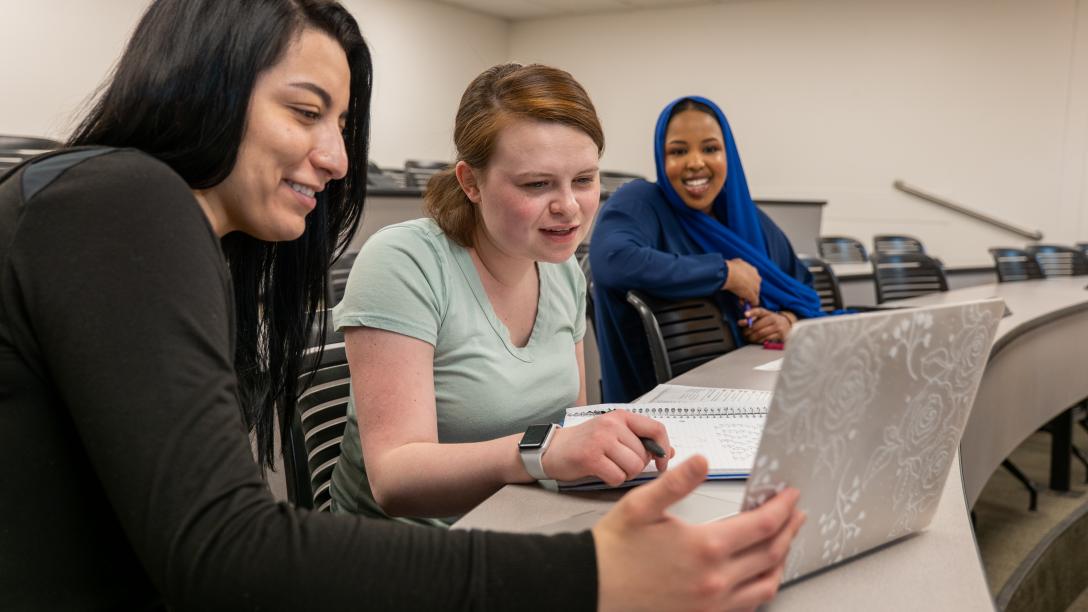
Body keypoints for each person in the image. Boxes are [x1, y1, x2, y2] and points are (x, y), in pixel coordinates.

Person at [0, 2, 803, 608]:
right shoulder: (122, 200)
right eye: (306, 111)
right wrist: (593, 576)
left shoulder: (173, 233)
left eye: (341, 123)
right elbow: (222, 550)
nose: (339, 157)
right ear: (200, 86)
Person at [330, 63, 680, 524]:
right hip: (404, 556)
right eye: (537, 184)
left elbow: (567, 427)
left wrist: (597, 451)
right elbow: (394, 480)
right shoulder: (403, 262)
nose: (569, 208)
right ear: (470, 182)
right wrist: (545, 454)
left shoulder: (562, 271)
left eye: (584, 180)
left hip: (519, 522)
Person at [590, 96, 823, 403]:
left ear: (729, 155)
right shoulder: (642, 202)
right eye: (678, 151)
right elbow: (613, 259)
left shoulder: (745, 220)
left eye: (710, 148)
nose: (696, 162)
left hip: (746, 393)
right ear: (661, 157)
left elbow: (802, 286)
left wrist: (786, 321)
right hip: (651, 415)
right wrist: (725, 273)